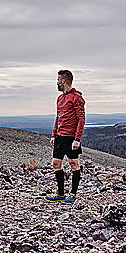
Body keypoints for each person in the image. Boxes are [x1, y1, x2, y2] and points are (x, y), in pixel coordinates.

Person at [45, 70, 85, 205]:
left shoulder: (76, 97)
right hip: (60, 137)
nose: (56, 82)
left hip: (71, 137)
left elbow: (81, 119)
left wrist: (77, 139)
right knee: (56, 164)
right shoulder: (60, 98)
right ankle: (60, 194)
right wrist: (53, 134)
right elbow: (58, 117)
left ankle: (73, 194)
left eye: (58, 80)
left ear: (63, 81)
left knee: (74, 164)